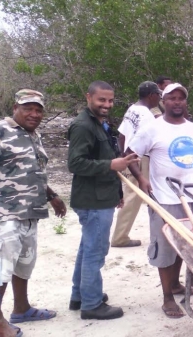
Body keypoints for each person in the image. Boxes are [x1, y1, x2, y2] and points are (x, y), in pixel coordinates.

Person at [124, 83, 193, 319]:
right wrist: (141, 178)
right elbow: (129, 154)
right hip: (164, 198)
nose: (177, 102)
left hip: (191, 198)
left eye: (181, 98)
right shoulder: (152, 128)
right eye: (172, 98)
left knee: (183, 244)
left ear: (185, 102)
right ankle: (167, 298)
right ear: (163, 101)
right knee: (166, 246)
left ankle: (176, 284)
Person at [0, 89, 66, 330]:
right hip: (4, 214)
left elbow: (32, 171)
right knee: (2, 268)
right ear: (15, 108)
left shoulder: (34, 135)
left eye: (38, 110)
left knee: (25, 263)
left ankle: (21, 309)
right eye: (28, 108)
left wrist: (52, 195)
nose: (34, 114)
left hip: (30, 213)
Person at [67, 81, 139, 320]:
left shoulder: (100, 123)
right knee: (95, 252)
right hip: (92, 200)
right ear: (89, 97)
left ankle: (80, 296)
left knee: (87, 248)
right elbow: (75, 163)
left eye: (110, 100)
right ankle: (91, 304)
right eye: (101, 100)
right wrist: (111, 164)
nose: (106, 105)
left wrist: (116, 193)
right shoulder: (83, 125)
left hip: (101, 196)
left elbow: (107, 157)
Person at [110, 81, 162, 248]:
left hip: (129, 156)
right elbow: (146, 141)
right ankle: (120, 237)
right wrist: (131, 158)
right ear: (151, 95)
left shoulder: (132, 109)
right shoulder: (146, 116)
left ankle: (123, 234)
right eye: (158, 95)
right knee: (133, 197)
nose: (159, 98)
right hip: (138, 159)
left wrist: (122, 154)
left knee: (134, 196)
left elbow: (122, 134)